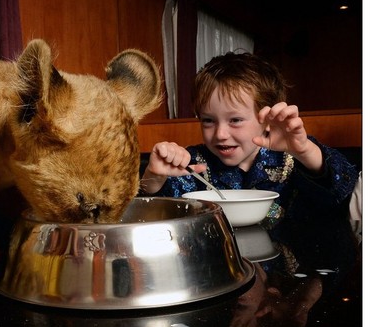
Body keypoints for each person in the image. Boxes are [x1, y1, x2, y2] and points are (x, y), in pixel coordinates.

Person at [140, 52, 359, 225]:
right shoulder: (192, 164)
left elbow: (340, 197)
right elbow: (152, 215)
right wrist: (153, 178)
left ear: (266, 117)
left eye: (235, 120)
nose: (220, 134)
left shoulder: (290, 160)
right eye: (208, 120)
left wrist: (305, 151)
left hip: (283, 274)